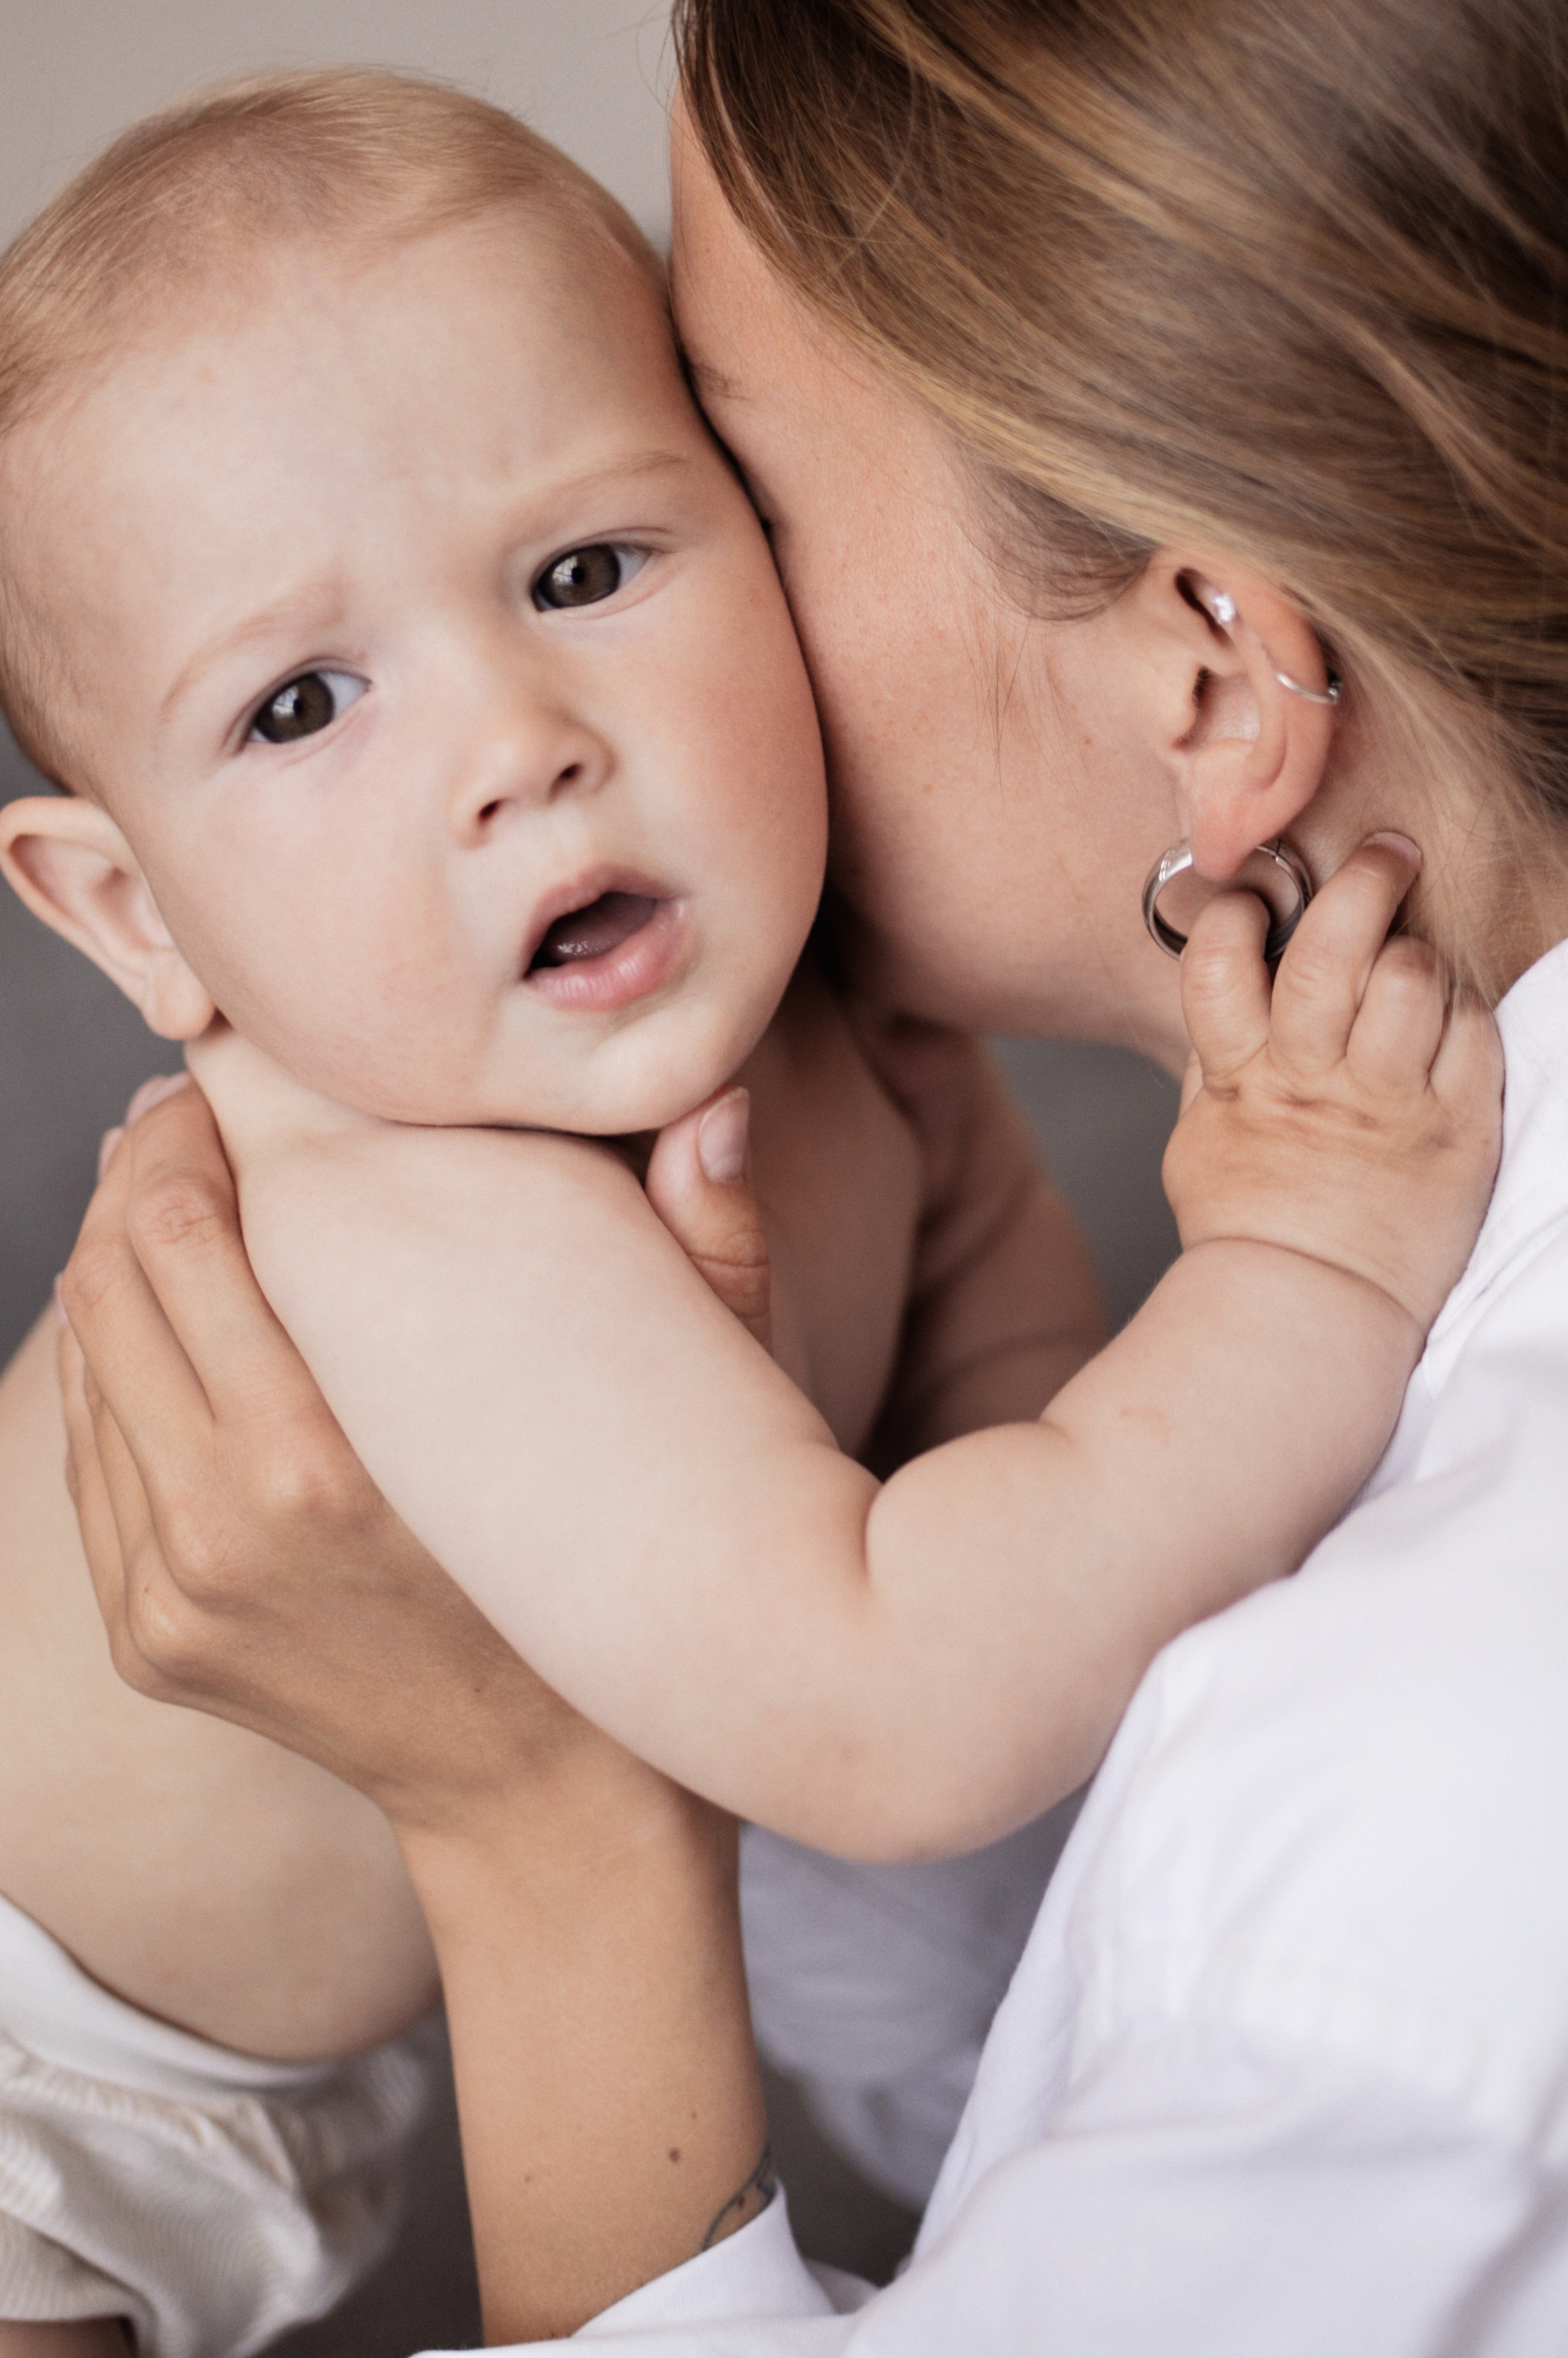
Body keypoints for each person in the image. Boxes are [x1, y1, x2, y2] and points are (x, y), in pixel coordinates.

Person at [44, 0, 1568, 2343]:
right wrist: (1296, 1269)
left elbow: (1047, 1506)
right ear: (131, 912)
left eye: (599, 564)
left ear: (1214, 676)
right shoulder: (408, 1207)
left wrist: (1184, 1370)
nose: (521, 751)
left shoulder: (1405, 1874)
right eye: (302, 703)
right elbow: (925, 1699)